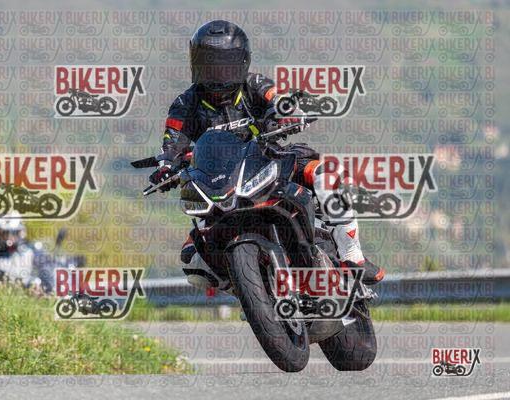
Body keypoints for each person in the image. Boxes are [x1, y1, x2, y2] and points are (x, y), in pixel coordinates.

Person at [149, 20, 385, 290]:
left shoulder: (254, 84)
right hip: (216, 182)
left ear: (242, 62)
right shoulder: (185, 103)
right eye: (210, 65)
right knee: (192, 259)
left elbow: (278, 100)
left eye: (225, 65)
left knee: (325, 175)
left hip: (266, 161)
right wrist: (166, 165)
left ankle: (353, 256)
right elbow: (172, 140)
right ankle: (247, 288)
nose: (218, 74)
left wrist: (285, 114)